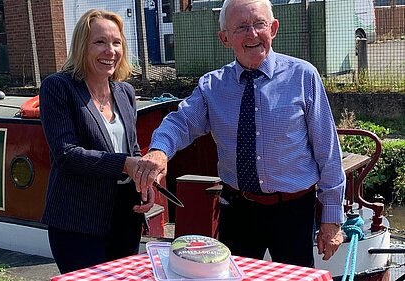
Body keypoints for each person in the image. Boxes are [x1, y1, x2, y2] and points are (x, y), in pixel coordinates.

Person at [134, 0, 345, 268]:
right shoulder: (212, 86)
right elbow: (181, 122)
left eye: (259, 24)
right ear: (225, 38)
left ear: (274, 29)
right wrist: (159, 150)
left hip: (294, 210)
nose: (252, 34)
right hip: (238, 209)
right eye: (242, 27)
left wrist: (331, 219)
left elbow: (328, 152)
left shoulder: (303, 77)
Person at [39, 9, 155, 274]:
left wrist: (144, 181)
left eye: (116, 43)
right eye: (100, 42)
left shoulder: (125, 91)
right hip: (77, 222)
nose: (110, 51)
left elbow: (132, 146)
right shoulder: (58, 87)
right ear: (82, 46)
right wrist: (126, 164)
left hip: (125, 218)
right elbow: (66, 155)